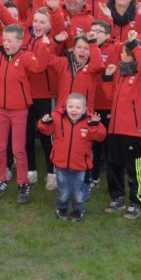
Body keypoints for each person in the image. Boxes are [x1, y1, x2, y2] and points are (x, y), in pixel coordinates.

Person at [0, 23, 53, 203]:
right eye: (4, 40)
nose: (6, 43)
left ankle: (23, 183)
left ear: (20, 42)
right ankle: (0, 179)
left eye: (10, 41)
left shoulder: (25, 57)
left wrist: (45, 46)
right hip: (1, 110)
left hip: (19, 111)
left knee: (18, 149)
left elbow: (40, 67)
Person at [102, 31, 141, 219]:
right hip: (115, 129)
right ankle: (116, 197)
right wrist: (107, 79)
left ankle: (136, 200)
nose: (121, 55)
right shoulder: (119, 74)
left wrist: (134, 44)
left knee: (134, 167)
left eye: (125, 52)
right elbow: (110, 97)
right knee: (114, 164)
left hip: (134, 131)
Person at [38, 93, 107, 221]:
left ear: (85, 109)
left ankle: (78, 211)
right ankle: (62, 209)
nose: (74, 110)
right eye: (70, 107)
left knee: (78, 192)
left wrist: (95, 126)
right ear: (65, 107)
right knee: (63, 191)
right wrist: (44, 122)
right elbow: (44, 130)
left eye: (78, 107)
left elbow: (100, 136)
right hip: (61, 164)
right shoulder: (57, 117)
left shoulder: (90, 121)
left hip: (80, 166)